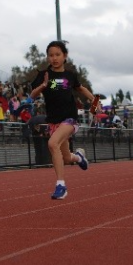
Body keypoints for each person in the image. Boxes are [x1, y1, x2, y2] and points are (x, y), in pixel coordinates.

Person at [29, 40, 97, 200]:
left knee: (52, 144)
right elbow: (32, 96)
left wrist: (95, 102)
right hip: (54, 121)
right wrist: (43, 85)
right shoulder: (43, 75)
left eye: (57, 54)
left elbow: (81, 89)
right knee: (66, 158)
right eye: (51, 55)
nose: (54, 58)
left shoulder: (70, 75)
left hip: (70, 119)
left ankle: (61, 186)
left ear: (64, 56)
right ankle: (79, 157)